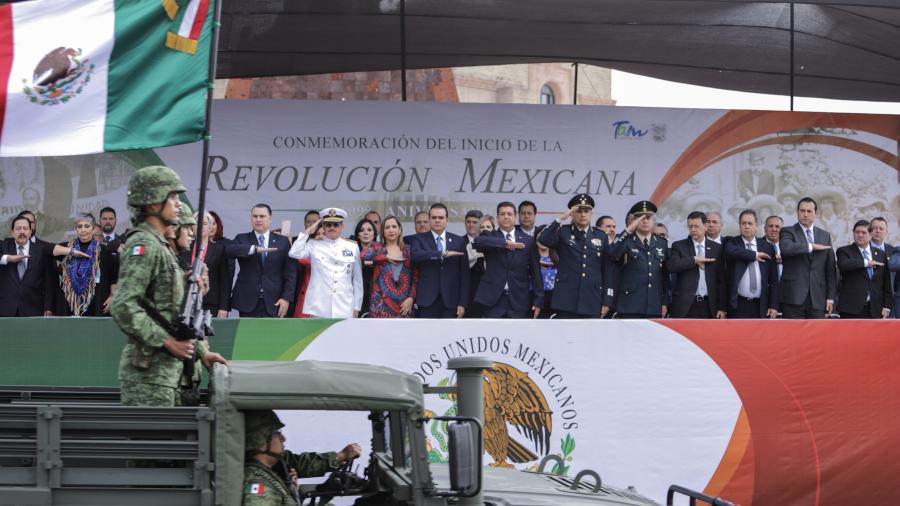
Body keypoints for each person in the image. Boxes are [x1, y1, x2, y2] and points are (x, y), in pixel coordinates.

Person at [111, 166, 226, 407]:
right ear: (153, 204)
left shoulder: (160, 247)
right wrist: (167, 342)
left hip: (165, 376)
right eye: (172, 197)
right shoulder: (144, 244)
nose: (177, 204)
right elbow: (123, 306)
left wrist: (202, 353)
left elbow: (172, 316)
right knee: (158, 446)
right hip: (148, 377)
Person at [241, 410, 361, 506]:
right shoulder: (258, 484)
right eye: (277, 433)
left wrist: (292, 490)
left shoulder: (266, 472)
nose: (283, 439)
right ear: (261, 442)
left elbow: (298, 463)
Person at [538, 194, 611, 318]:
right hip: (566, 299)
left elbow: (607, 270)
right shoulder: (563, 231)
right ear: (572, 214)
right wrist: (560, 219)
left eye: (586, 211)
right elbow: (543, 239)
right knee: (565, 337)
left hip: (592, 299)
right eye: (579, 211)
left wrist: (606, 301)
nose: (583, 214)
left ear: (591, 214)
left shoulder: (601, 236)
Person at [289, 208, 363, 318]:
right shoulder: (313, 245)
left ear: (342, 226)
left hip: (345, 306)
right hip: (318, 307)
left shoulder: (352, 247)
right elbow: (294, 253)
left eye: (336, 224)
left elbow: (357, 280)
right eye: (328, 225)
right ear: (323, 227)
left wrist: (357, 306)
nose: (332, 227)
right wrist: (309, 231)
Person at [473, 202, 543, 318]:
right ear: (498, 217)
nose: (506, 217)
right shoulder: (490, 236)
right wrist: (505, 243)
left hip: (519, 300)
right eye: (502, 214)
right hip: (493, 300)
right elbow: (478, 242)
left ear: (515, 217)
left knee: (518, 336)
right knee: (493, 335)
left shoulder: (528, 240)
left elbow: (536, 272)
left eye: (509, 214)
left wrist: (538, 301)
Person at [227, 204, 298, 318]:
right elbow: (229, 250)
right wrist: (254, 249)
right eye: (255, 216)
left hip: (275, 302)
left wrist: (286, 298)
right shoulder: (242, 238)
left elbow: (290, 273)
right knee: (248, 335)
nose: (258, 219)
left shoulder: (282, 241)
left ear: (270, 219)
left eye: (262, 216)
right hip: (247, 301)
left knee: (271, 335)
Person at [607, 201, 669, 318]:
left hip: (653, 304)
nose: (645, 221)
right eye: (640, 218)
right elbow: (611, 252)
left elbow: (664, 276)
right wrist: (628, 229)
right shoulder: (626, 240)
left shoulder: (661, 243)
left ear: (653, 221)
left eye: (648, 218)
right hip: (629, 305)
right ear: (633, 221)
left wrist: (664, 301)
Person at [779, 197, 837, 319]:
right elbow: (786, 248)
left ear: (815, 213)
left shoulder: (824, 235)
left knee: (817, 337)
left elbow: (830, 269)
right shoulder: (787, 231)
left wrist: (830, 298)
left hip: (818, 298)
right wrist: (811, 246)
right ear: (797, 212)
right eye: (802, 211)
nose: (805, 214)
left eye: (809, 211)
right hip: (793, 297)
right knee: (793, 336)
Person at [409, 203, 469, 318]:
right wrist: (442, 253)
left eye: (441, 218)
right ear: (429, 219)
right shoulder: (418, 239)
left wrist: (462, 303)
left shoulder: (459, 241)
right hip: (426, 300)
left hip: (451, 301)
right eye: (434, 217)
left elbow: (464, 275)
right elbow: (415, 255)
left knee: (450, 336)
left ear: (447, 220)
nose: (437, 220)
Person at [668, 211, 727, 318]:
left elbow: (721, 281)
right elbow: (672, 266)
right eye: (690, 226)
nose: (693, 229)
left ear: (705, 226)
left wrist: (722, 307)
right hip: (686, 306)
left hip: (709, 305)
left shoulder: (717, 248)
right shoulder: (679, 246)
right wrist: (694, 260)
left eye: (696, 226)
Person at [723, 210, 779, 318]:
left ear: (756, 226)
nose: (747, 226)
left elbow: (774, 281)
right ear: (739, 225)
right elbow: (729, 250)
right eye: (743, 223)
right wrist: (754, 255)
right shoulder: (733, 242)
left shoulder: (767, 247)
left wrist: (774, 305)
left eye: (750, 223)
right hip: (739, 305)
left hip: (761, 305)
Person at [360, 216, 418, 318]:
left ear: (400, 230)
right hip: (380, 306)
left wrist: (411, 298)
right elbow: (362, 256)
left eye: (394, 227)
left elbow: (416, 277)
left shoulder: (408, 250)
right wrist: (384, 258)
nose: (391, 230)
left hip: (404, 305)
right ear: (382, 231)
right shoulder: (377, 247)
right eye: (387, 227)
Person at [58, 213, 114, 316]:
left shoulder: (103, 250)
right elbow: (48, 250)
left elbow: (114, 276)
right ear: (76, 229)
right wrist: (71, 251)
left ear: (93, 229)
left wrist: (112, 296)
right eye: (79, 226)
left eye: (87, 226)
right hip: (71, 303)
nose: (83, 230)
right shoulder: (67, 247)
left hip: (96, 302)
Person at [0, 215, 56, 316]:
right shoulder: (4, 246)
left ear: (31, 232)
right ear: (12, 232)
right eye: (18, 228)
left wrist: (48, 307)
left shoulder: (41, 250)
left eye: (25, 228)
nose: (22, 232)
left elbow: (48, 282)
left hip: (33, 308)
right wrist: (8, 258)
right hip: (5, 309)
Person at [836, 220, 892, 319]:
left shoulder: (880, 254)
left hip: (876, 309)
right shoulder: (844, 251)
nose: (860, 235)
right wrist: (867, 263)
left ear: (871, 234)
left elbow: (886, 283)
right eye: (857, 232)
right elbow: (844, 265)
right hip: (851, 309)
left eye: (864, 232)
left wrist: (887, 306)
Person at [191, 211, 231, 318]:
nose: (200, 227)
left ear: (210, 228)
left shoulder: (219, 249)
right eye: (196, 223)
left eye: (204, 224)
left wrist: (223, 307)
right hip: (187, 302)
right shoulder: (185, 247)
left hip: (211, 304)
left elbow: (225, 281)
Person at [291, 223, 324, 319]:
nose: (321, 236)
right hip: (307, 300)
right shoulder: (308, 252)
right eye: (318, 234)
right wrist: (307, 232)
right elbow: (296, 255)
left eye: (324, 234)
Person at [869, 216, 900, 317]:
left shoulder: (893, 250)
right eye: (874, 228)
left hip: (891, 301)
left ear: (886, 232)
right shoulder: (863, 250)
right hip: (870, 301)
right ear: (869, 231)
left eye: (881, 229)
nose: (878, 231)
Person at [463, 210, 485, 319]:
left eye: (475, 222)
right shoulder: (459, 242)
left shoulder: (490, 242)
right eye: (468, 222)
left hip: (487, 294)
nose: (471, 225)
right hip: (466, 295)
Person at [352, 219, 377, 316]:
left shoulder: (382, 252)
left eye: (369, 230)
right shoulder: (351, 252)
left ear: (374, 234)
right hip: (355, 301)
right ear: (357, 235)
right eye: (362, 230)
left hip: (376, 300)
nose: (366, 232)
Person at [534, 224, 558, 318]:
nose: (543, 241)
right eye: (540, 238)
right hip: (534, 299)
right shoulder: (529, 257)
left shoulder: (559, 257)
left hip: (555, 300)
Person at [764, 215, 784, 282]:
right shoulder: (757, 245)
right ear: (765, 228)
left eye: (777, 227)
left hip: (785, 288)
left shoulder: (788, 246)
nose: (774, 229)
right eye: (770, 226)